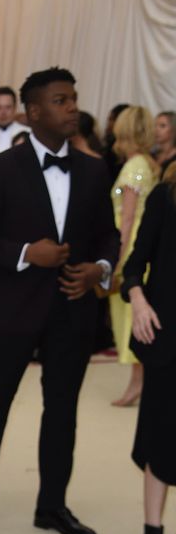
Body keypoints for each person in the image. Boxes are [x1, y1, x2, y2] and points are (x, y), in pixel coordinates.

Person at [0, 67, 119, 534]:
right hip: (12, 310)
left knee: (62, 410)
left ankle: (53, 505)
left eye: (74, 99)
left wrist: (99, 269)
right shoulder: (2, 168)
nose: (72, 109)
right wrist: (27, 254)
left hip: (72, 309)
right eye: (61, 101)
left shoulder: (93, 168)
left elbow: (108, 233)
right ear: (35, 111)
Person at [121, 163, 176, 534]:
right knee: (163, 437)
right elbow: (135, 264)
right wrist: (138, 300)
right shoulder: (165, 194)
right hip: (168, 335)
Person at [109, 106, 158, 407]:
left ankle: (137, 384)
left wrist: (118, 261)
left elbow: (127, 220)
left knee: (130, 320)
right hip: (143, 248)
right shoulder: (149, 162)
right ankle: (139, 383)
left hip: (130, 248)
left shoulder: (133, 166)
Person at [152, 111, 176, 176]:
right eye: (155, 125)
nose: (156, 130)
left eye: (162, 126)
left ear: (173, 129)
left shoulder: (174, 159)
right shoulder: (152, 155)